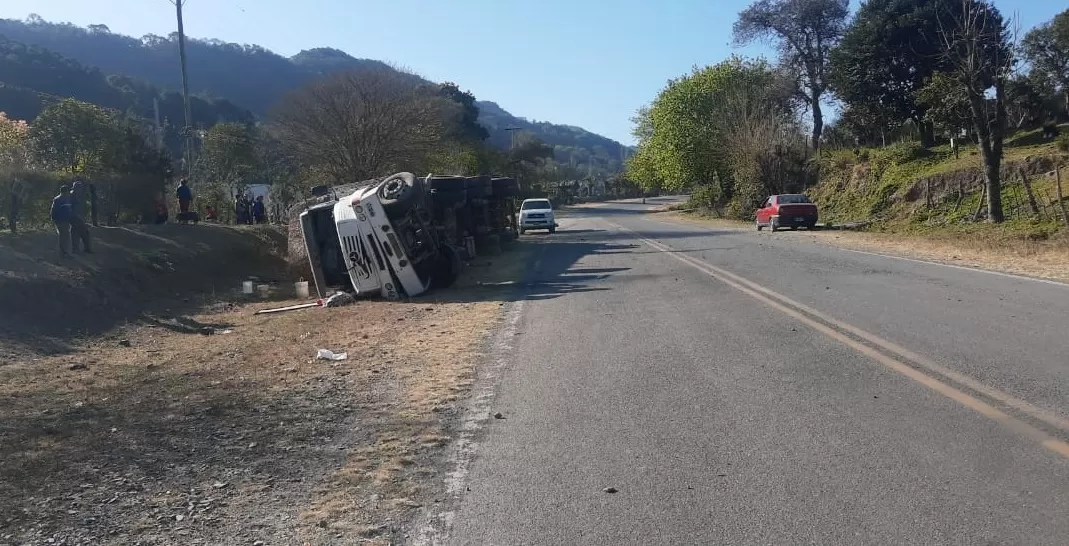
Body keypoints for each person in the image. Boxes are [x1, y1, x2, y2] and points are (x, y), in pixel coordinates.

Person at [69, 180, 93, 254]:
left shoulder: (79, 196)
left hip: (78, 217)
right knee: (76, 233)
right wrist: (81, 218)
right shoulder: (72, 196)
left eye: (81, 188)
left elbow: (82, 207)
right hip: (74, 217)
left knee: (84, 232)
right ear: (75, 188)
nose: (81, 189)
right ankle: (76, 249)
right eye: (79, 188)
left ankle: (86, 249)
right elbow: (73, 209)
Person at [50, 185, 73, 258]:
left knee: (63, 235)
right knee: (65, 236)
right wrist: (54, 218)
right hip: (61, 220)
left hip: (64, 220)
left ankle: (63, 251)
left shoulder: (64, 198)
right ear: (65, 192)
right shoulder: (60, 199)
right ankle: (64, 252)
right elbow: (54, 210)